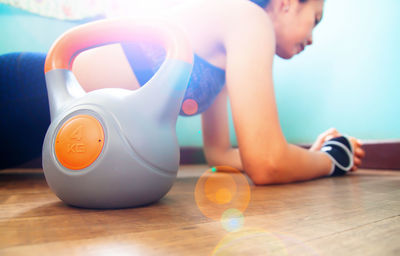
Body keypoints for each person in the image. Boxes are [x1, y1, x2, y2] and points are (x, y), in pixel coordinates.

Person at [0, 0, 365, 184]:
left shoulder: (230, 54)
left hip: (45, 132)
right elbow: (265, 163)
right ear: (286, 2)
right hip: (25, 90)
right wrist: (331, 160)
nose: (313, 38)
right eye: (314, 18)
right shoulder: (249, 19)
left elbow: (220, 153)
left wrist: (307, 156)